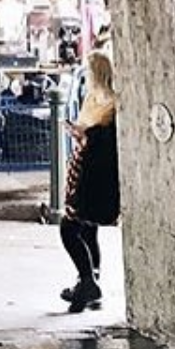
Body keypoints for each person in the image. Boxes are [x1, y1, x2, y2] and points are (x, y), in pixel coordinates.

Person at [59, 50, 119, 313]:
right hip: (86, 165)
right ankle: (89, 281)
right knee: (87, 230)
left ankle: (87, 280)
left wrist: (86, 133)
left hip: (94, 174)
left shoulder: (110, 104)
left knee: (69, 227)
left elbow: (105, 138)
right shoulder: (94, 99)